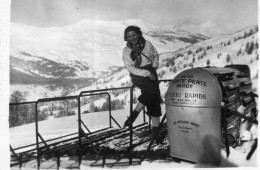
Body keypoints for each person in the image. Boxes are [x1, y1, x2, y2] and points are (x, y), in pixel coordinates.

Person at [122, 25, 162, 141]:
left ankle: (134, 116)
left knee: (153, 98)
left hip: (150, 71)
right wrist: (147, 73)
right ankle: (155, 131)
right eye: (129, 37)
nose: (132, 38)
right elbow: (131, 68)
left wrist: (154, 66)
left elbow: (155, 54)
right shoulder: (127, 51)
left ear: (138, 34)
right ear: (126, 38)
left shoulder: (147, 44)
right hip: (137, 75)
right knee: (152, 92)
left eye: (134, 35)